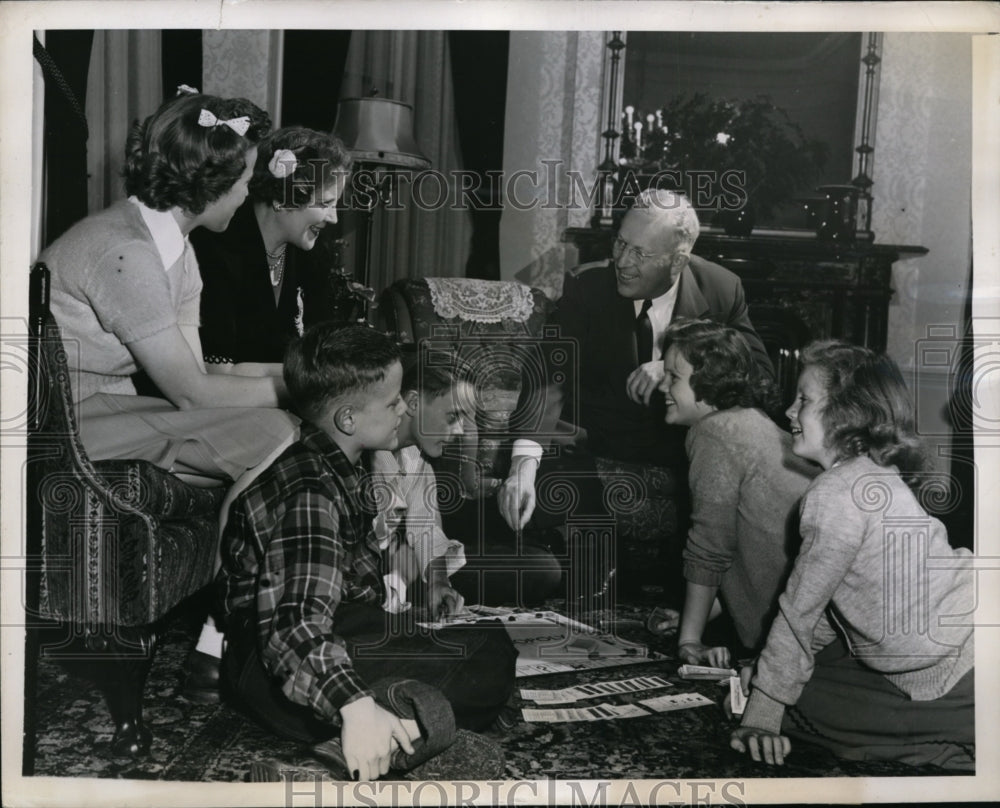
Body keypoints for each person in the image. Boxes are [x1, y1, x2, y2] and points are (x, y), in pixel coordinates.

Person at [217, 324, 518, 781]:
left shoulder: (334, 468)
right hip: (276, 668)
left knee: (484, 644)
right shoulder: (311, 489)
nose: (403, 409)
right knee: (485, 656)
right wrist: (355, 706)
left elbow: (350, 593)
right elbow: (295, 623)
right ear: (348, 420)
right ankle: (347, 751)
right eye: (394, 401)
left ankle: (389, 731)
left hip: (320, 639)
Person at [499, 188, 773, 599]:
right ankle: (588, 580)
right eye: (620, 244)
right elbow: (548, 375)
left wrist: (678, 364)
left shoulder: (721, 288)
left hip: (680, 447)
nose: (623, 263)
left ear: (677, 260)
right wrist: (522, 464)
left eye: (640, 254)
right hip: (599, 440)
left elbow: (762, 378)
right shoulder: (587, 286)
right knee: (553, 459)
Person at [731, 341, 975, 771]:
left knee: (800, 711)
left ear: (847, 414)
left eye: (804, 400)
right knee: (805, 690)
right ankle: (950, 745)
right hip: (965, 631)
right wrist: (772, 674)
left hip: (962, 663)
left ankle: (953, 742)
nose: (789, 411)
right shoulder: (872, 473)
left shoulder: (833, 494)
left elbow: (799, 611)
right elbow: (830, 603)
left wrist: (763, 715)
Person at [41, 90, 298, 484]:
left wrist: (308, 374)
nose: (248, 194)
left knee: (279, 431)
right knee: (278, 433)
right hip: (58, 422)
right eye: (245, 181)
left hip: (109, 410)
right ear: (212, 182)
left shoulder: (180, 254)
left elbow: (197, 378)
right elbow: (192, 394)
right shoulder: (126, 252)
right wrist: (306, 388)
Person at [653, 319, 817, 664]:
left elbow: (710, 547)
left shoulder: (714, 432)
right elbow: (751, 543)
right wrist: (691, 618)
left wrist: (689, 641)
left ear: (709, 382)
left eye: (674, 377)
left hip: (793, 642)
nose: (662, 386)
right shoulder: (749, 420)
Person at [368, 347, 563, 615]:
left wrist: (438, 582)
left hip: (404, 572)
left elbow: (426, 529)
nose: (460, 430)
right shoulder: (368, 456)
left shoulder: (417, 461)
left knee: (542, 568)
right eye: (453, 416)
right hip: (368, 576)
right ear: (413, 403)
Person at [191, 126, 352, 370]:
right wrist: (313, 380)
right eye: (326, 203)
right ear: (282, 197)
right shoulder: (214, 249)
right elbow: (217, 373)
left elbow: (324, 349)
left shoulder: (313, 253)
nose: (334, 219)